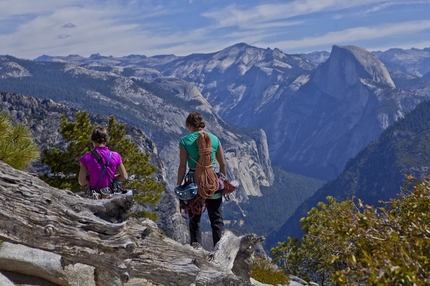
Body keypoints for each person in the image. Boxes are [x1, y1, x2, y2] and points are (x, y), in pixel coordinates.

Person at [177, 111, 227, 248]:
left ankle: (196, 248)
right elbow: (222, 164)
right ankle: (219, 249)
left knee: (195, 219)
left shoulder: (185, 141)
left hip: (194, 183)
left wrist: (179, 184)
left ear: (188, 124)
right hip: (212, 181)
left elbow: (182, 166)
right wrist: (223, 180)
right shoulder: (215, 139)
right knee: (216, 219)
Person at [78, 126, 128, 197]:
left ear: (92, 139)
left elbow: (82, 182)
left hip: (95, 196)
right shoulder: (116, 156)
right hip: (111, 194)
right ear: (106, 139)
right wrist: (111, 177)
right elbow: (124, 176)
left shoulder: (85, 158)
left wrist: (92, 178)